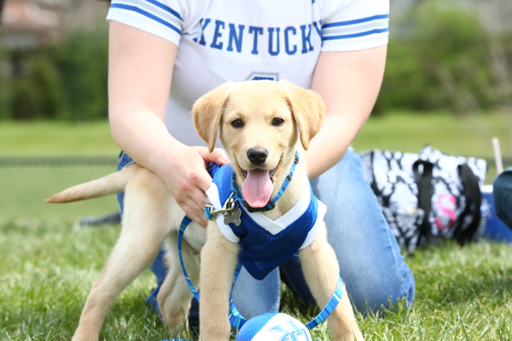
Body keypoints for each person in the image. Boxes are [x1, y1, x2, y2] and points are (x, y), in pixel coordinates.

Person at [107, 0, 415, 328]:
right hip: (174, 159)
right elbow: (131, 108)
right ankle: (189, 281)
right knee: (249, 317)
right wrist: (173, 162)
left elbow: (340, 114)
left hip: (305, 155)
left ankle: (286, 255)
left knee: (376, 297)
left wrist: (284, 182)